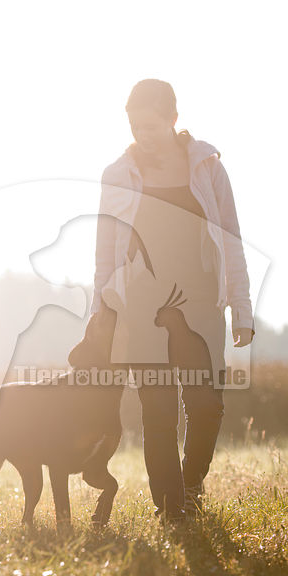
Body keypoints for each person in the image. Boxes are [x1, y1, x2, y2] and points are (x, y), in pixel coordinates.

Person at [84, 78, 255, 521]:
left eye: (152, 126)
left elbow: (231, 238)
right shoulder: (117, 175)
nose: (143, 135)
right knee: (156, 410)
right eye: (135, 126)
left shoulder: (208, 168)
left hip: (200, 302)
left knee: (206, 404)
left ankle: (191, 484)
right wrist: (100, 311)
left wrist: (242, 307)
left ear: (174, 120)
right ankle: (171, 507)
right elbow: (106, 249)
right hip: (141, 306)